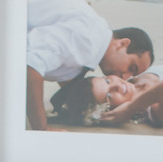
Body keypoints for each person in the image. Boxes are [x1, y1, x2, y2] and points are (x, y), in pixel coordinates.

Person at [26, 0, 154, 130]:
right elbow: (31, 66)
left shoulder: (92, 39)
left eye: (132, 75)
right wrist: (41, 127)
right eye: (131, 68)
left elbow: (68, 79)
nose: (125, 77)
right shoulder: (87, 40)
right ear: (122, 44)